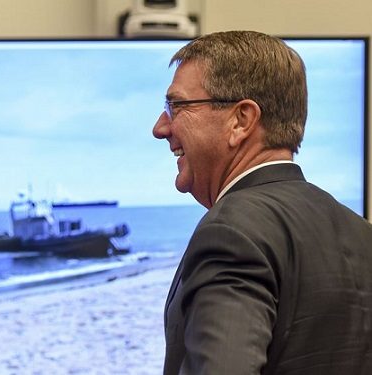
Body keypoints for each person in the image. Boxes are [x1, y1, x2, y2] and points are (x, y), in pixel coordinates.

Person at [153, 30, 372, 374]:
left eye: (176, 106)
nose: (160, 127)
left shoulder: (232, 232)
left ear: (241, 120)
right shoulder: (360, 232)